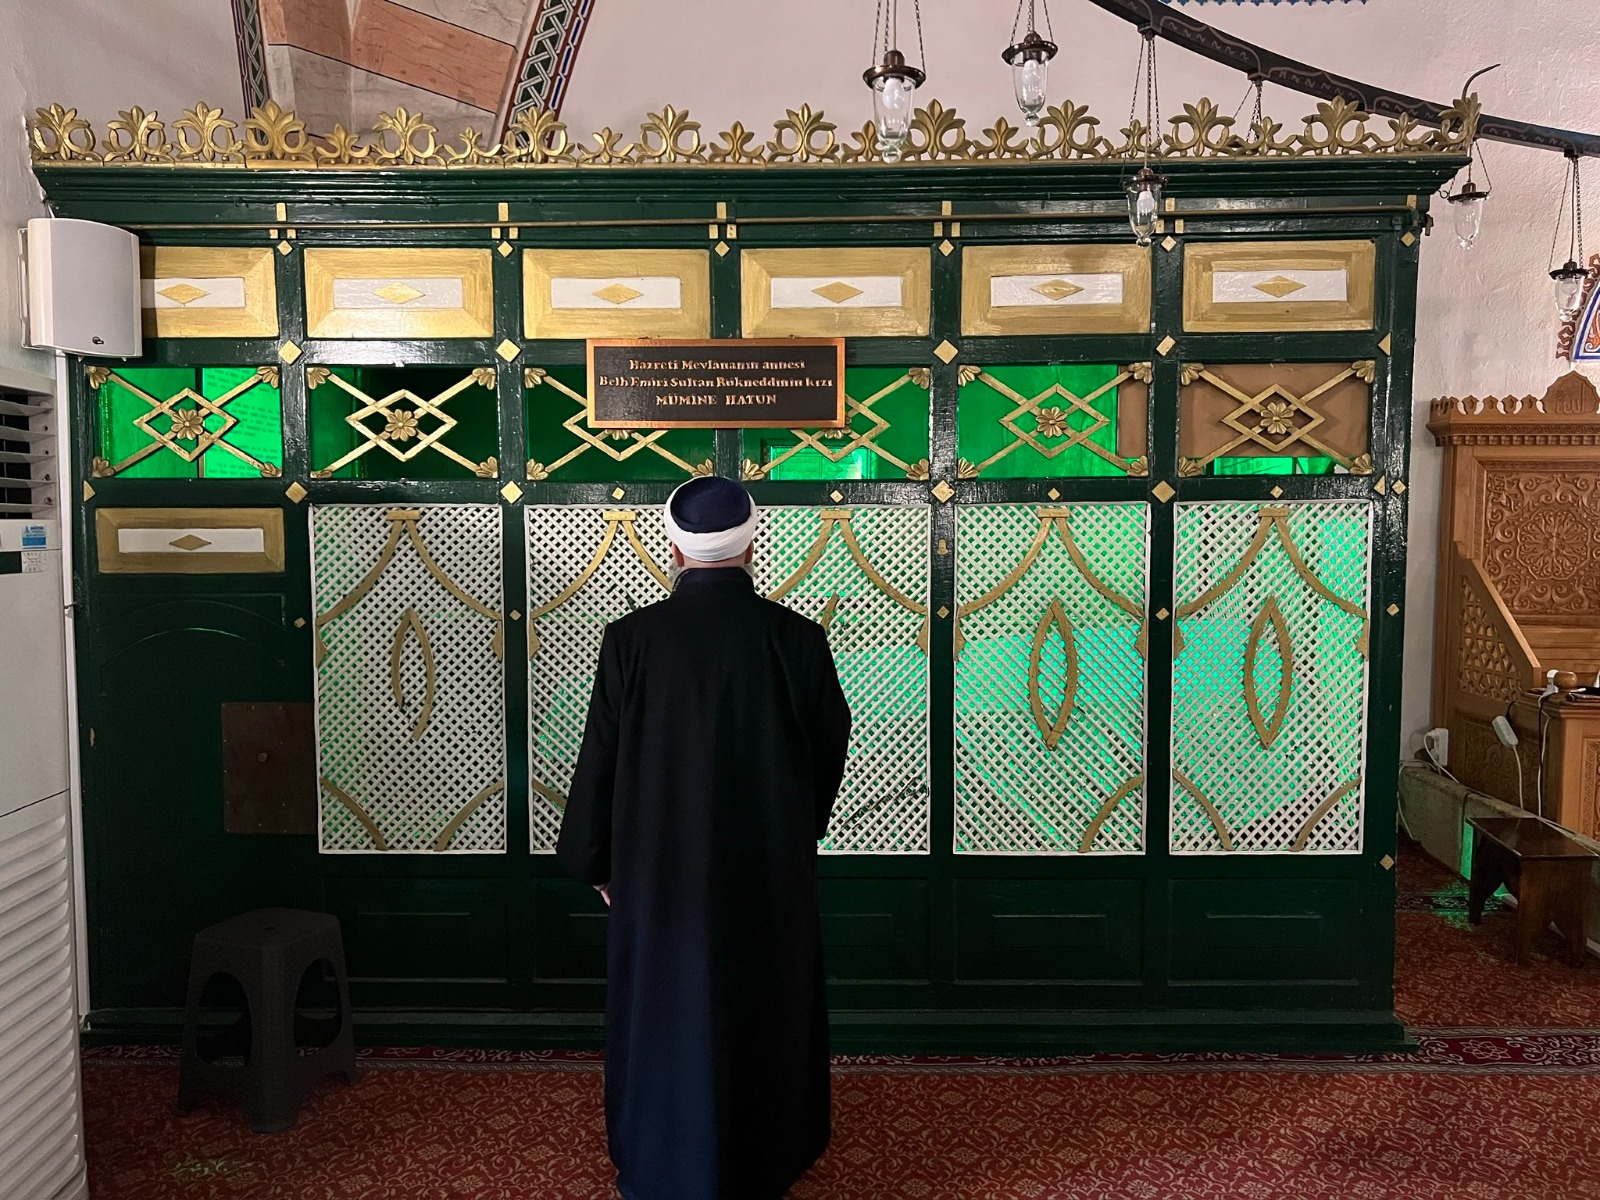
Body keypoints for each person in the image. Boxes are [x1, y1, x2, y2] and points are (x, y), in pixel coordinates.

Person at [557, 475, 852, 1200]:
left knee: (668, 1009)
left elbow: (601, 757)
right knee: (764, 1005)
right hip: (768, 869)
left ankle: (664, 1153)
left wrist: (599, 862)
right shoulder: (797, 639)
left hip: (657, 873)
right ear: (752, 544)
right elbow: (829, 746)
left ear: (674, 547)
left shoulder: (632, 640)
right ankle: (767, 1155)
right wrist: (795, 831)